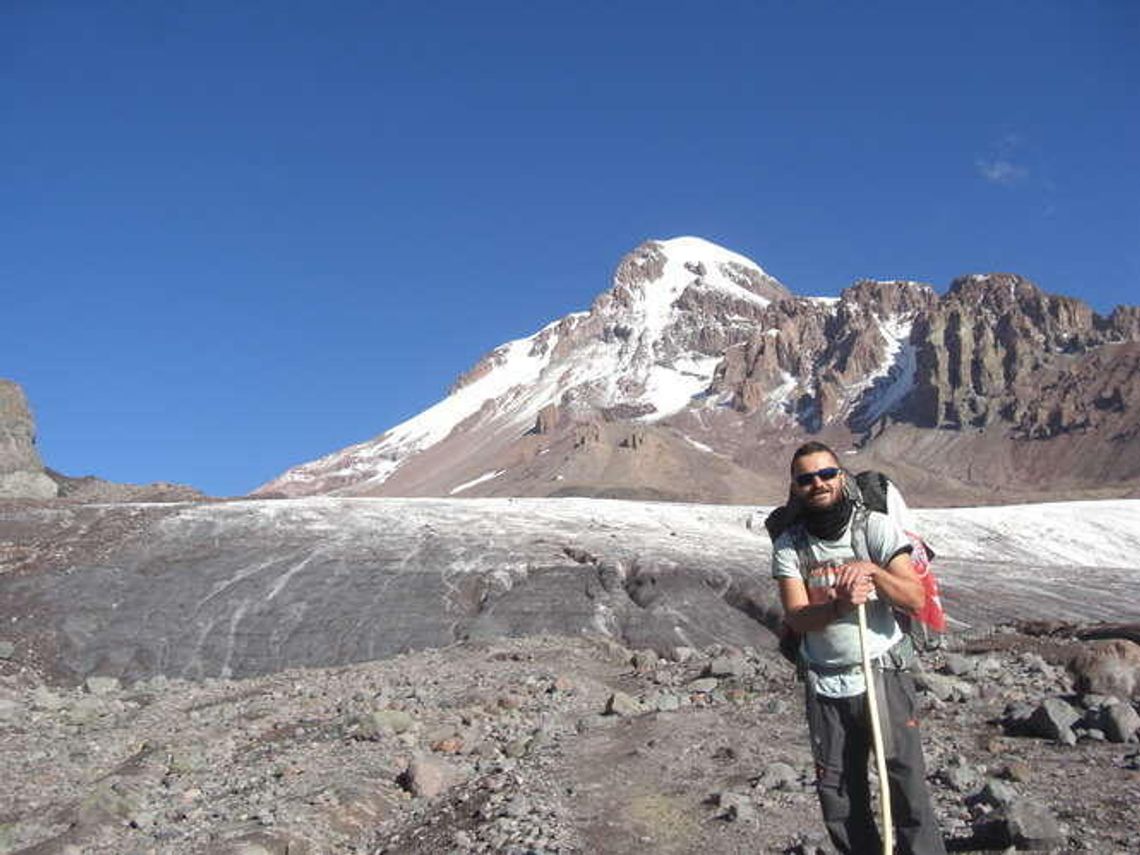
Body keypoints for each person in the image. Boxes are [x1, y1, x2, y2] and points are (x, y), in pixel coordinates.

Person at [770, 440, 947, 855]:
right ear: (795, 488)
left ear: (842, 478)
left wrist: (873, 572)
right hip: (825, 681)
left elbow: (914, 597)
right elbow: (796, 616)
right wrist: (840, 606)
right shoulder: (789, 546)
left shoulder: (874, 529)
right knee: (838, 791)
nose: (818, 484)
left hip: (882, 670)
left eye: (826, 474)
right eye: (807, 479)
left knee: (904, 782)